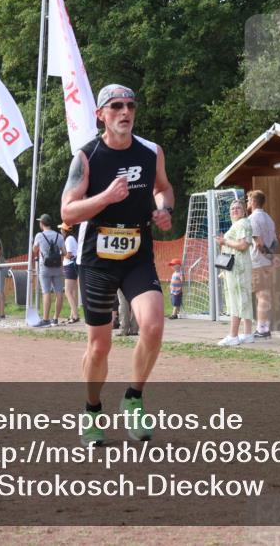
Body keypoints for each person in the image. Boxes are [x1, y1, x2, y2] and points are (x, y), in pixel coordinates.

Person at [60, 83, 174, 445]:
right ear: (101, 115)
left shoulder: (151, 151)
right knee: (99, 346)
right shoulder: (87, 157)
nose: (125, 112)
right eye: (116, 107)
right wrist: (106, 197)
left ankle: (134, 399)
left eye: (130, 106)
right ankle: (92, 411)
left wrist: (164, 209)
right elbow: (67, 210)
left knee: (153, 326)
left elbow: (164, 187)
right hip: (97, 258)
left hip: (137, 252)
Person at [215, 198, 255, 346]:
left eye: (238, 207)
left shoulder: (243, 223)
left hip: (238, 269)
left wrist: (224, 242)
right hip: (237, 267)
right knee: (243, 299)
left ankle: (233, 335)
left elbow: (243, 245)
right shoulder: (239, 224)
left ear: (244, 210)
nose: (235, 210)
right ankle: (248, 333)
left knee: (236, 300)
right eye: (232, 208)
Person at [247, 189, 277, 337]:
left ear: (253, 201)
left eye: (248, 200)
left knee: (262, 296)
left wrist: (268, 256)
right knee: (265, 295)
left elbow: (258, 243)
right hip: (267, 262)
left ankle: (262, 329)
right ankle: (265, 327)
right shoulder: (269, 218)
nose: (247, 203)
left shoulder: (252, 219)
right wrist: (272, 257)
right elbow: (275, 242)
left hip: (257, 261)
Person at [31, 214, 66, 326]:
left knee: (46, 292)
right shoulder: (59, 236)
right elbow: (64, 252)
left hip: (44, 267)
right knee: (59, 292)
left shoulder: (39, 235)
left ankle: (45, 319)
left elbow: (34, 250)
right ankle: (55, 319)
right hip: (57, 267)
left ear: (42, 223)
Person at [59, 222, 81, 324]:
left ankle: (75, 315)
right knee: (73, 292)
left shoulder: (68, 239)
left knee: (68, 291)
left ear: (64, 230)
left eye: (61, 229)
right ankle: (72, 314)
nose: (60, 231)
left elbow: (69, 254)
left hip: (69, 266)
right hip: (73, 266)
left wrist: (60, 253)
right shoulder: (72, 238)